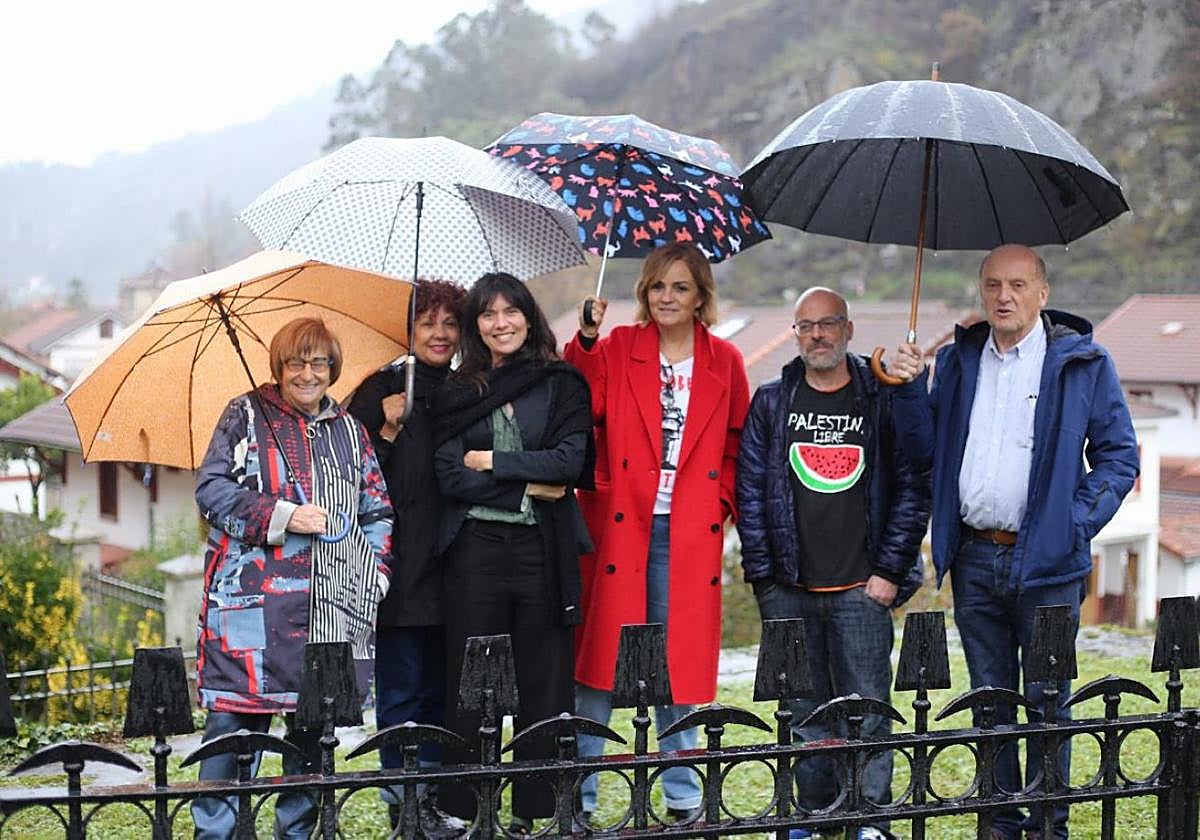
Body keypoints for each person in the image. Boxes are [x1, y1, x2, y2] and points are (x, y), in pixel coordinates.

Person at [889, 244, 1139, 840]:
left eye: (1019, 285)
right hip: (974, 557)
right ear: (982, 292)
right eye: (994, 285)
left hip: (1050, 564)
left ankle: (1048, 828)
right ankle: (999, 825)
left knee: (1049, 702)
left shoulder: (1081, 363)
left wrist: (1072, 523)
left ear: (1043, 294)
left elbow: (1118, 456)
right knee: (991, 704)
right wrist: (904, 386)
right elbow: (924, 452)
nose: (1005, 296)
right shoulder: (956, 362)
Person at [564, 241, 750, 824]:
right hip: (620, 525)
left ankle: (683, 796)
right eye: (657, 286)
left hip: (687, 529)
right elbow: (579, 402)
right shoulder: (619, 347)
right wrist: (587, 339)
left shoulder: (724, 361)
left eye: (680, 287)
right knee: (596, 664)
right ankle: (581, 797)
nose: (667, 297)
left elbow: (736, 443)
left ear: (700, 297)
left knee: (677, 665)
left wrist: (715, 504)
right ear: (643, 292)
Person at [736, 287, 929, 840]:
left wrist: (890, 571)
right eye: (806, 326)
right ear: (795, 335)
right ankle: (815, 817)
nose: (817, 334)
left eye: (828, 323)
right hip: (790, 587)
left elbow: (914, 485)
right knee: (804, 714)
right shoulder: (772, 402)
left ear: (848, 329)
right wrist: (765, 579)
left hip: (862, 588)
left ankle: (870, 820)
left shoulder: (882, 399)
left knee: (870, 710)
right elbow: (749, 493)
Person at [192, 317, 393, 840]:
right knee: (235, 732)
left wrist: (373, 577)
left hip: (329, 610)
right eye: (296, 362)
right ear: (279, 367)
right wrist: (284, 515)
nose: (308, 373)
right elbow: (211, 491)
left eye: (319, 362)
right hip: (252, 612)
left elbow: (378, 511)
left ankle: (296, 833)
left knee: (311, 735)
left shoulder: (350, 430)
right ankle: (218, 834)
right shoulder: (244, 415)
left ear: (333, 368)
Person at [431, 272, 594, 834]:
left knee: (544, 682)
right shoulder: (459, 391)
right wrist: (529, 482)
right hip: (474, 549)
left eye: (511, 311)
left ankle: (537, 810)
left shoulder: (562, 383)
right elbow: (449, 473)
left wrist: (494, 463)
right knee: (469, 680)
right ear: (475, 325)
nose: (501, 323)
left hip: (540, 550)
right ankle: (463, 808)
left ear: (529, 315)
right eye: (487, 314)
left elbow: (569, 464)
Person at [346, 279, 466, 836]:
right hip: (398, 565)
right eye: (427, 323)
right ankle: (403, 800)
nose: (439, 334)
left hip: (458, 563)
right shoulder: (378, 393)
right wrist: (388, 428)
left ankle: (439, 797)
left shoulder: (470, 388)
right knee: (402, 692)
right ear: (408, 330)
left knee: (445, 691)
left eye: (449, 323)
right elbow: (351, 483)